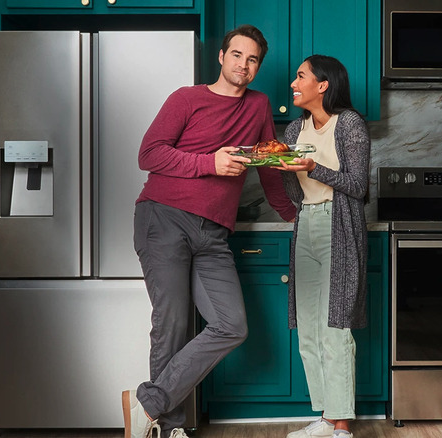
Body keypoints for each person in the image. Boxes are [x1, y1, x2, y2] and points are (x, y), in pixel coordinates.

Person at [122, 24, 297, 438]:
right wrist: (209, 163)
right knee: (173, 323)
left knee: (231, 325)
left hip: (214, 232)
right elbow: (149, 154)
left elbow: (267, 165)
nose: (244, 65)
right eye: (237, 55)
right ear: (221, 57)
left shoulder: (258, 106)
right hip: (163, 217)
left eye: (252, 59)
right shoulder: (187, 98)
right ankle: (171, 428)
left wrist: (290, 213)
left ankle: (147, 403)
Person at [276, 55, 371, 438]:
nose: (293, 84)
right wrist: (282, 167)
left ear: (323, 84)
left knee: (335, 328)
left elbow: (358, 185)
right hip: (308, 224)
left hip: (341, 225)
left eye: (300, 77)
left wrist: (312, 167)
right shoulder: (293, 129)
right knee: (309, 331)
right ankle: (327, 417)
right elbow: (291, 188)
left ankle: (343, 425)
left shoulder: (348, 123)